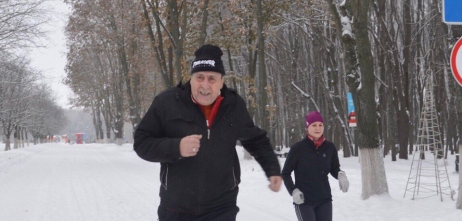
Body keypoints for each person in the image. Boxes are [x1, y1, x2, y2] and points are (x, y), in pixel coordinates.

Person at [134, 44, 282, 221]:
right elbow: (142, 142)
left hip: (221, 208)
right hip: (176, 208)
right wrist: (176, 147)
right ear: (191, 78)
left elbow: (256, 140)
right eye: (199, 77)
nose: (205, 85)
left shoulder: (233, 106)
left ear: (221, 81)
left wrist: (272, 169)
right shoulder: (167, 103)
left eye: (212, 78)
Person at [281, 111, 349, 221]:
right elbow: (285, 173)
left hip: (325, 199)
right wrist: (293, 191)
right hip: (303, 201)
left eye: (320, 125)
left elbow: (334, 168)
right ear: (308, 127)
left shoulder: (329, 147)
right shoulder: (298, 149)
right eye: (314, 125)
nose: (318, 128)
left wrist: (341, 175)